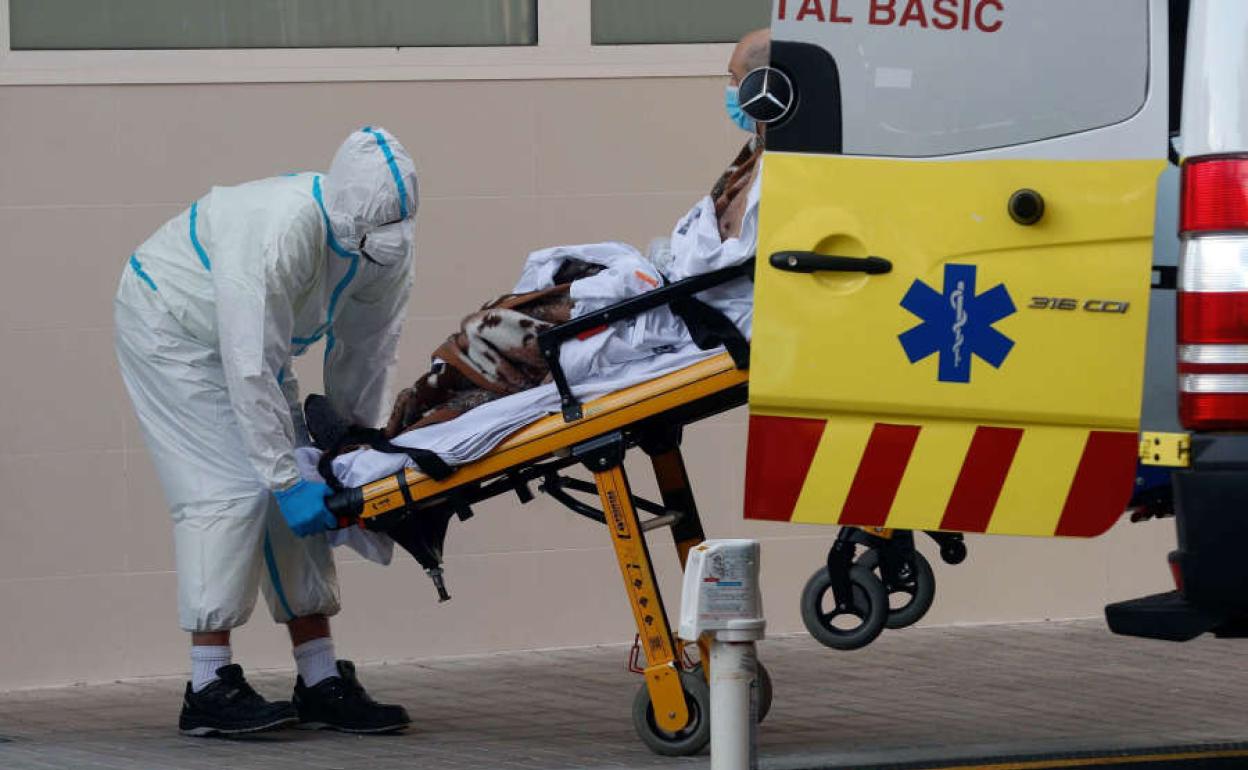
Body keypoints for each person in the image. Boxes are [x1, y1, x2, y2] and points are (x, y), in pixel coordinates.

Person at [114, 127, 417, 736]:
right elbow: (247, 361)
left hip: (254, 348)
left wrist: (345, 455)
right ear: (342, 212)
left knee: (303, 482)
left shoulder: (389, 247)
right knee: (231, 489)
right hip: (171, 325)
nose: (381, 246)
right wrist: (279, 477)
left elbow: (367, 350)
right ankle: (206, 685)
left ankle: (320, 677)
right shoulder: (280, 230)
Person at [372, 30, 772, 439]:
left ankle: (399, 436)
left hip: (682, 312)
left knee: (489, 331)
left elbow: (710, 260)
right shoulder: (763, 152)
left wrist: (667, 260)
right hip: (680, 298)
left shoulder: (772, 171)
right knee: (526, 299)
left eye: (734, 79)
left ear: (764, 88)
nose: (729, 91)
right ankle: (403, 424)